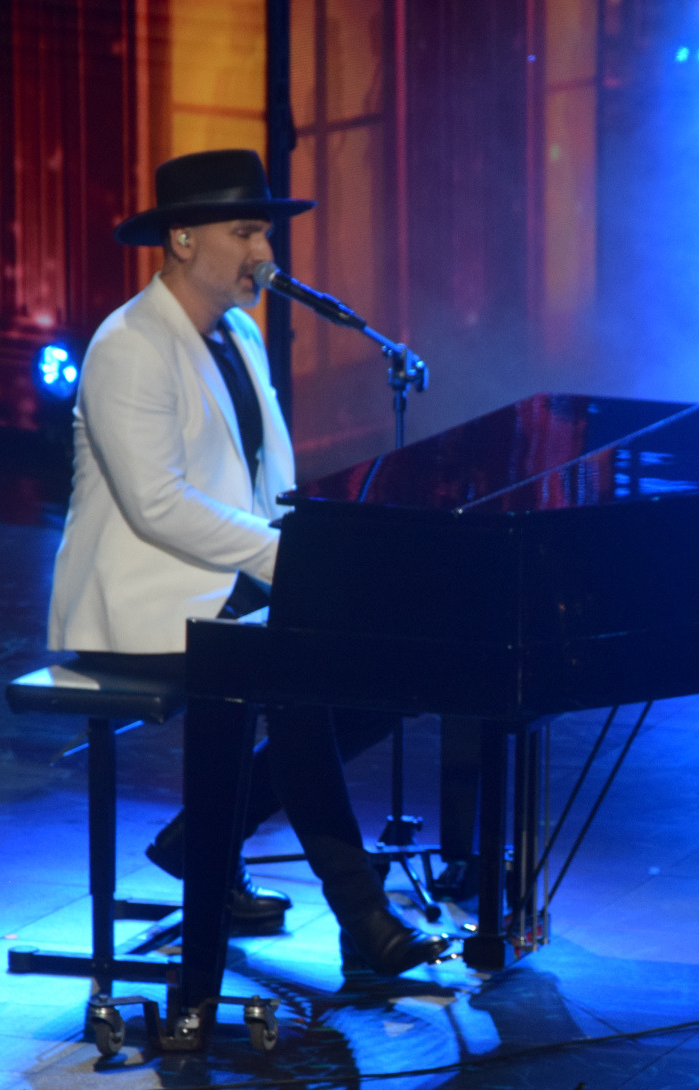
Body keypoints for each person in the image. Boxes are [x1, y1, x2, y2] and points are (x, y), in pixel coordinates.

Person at [46, 148, 446, 977]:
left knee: (394, 673)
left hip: (229, 593)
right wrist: (283, 560)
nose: (264, 252)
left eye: (264, 232)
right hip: (144, 607)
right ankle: (361, 914)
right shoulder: (129, 345)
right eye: (245, 233)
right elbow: (158, 504)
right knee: (291, 679)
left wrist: (320, 560)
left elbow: (270, 484)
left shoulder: (242, 335)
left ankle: (204, 836)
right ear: (183, 240)